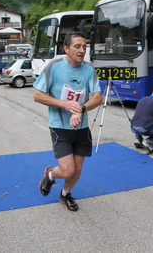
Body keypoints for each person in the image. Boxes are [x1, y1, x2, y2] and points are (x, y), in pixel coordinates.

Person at [33, 31, 102, 212]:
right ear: (66, 49)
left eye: (84, 47)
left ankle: (65, 194)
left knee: (77, 169)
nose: (82, 50)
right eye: (77, 46)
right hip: (60, 127)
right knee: (68, 170)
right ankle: (50, 175)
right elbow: (38, 95)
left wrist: (80, 108)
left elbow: (97, 98)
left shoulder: (89, 69)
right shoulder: (54, 66)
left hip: (82, 127)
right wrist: (64, 104)